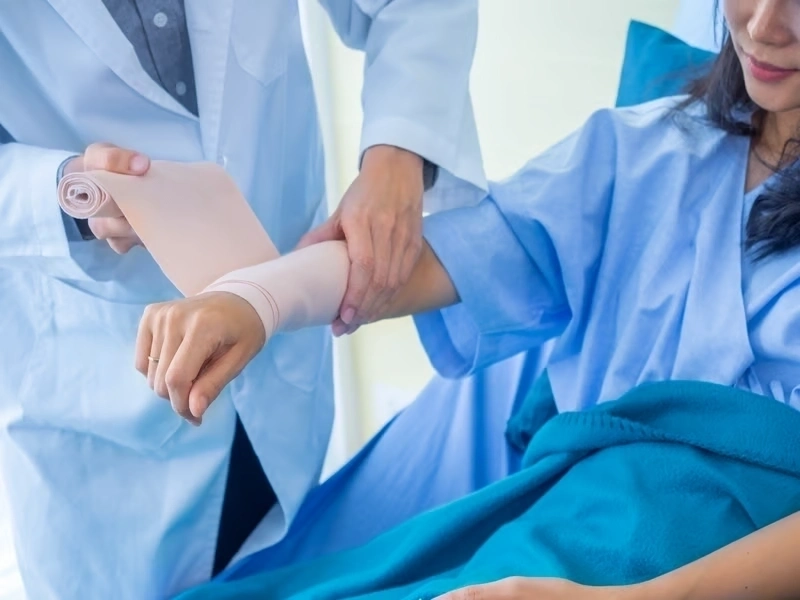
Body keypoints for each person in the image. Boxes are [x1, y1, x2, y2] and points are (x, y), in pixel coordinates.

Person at [138, 0, 800, 597]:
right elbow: (430, 260)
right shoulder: (649, 151)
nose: (765, 26)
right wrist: (255, 302)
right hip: (559, 532)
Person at [0, 1, 486, 597]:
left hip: (281, 360)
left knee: (290, 566)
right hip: (95, 386)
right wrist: (62, 194)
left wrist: (399, 151)